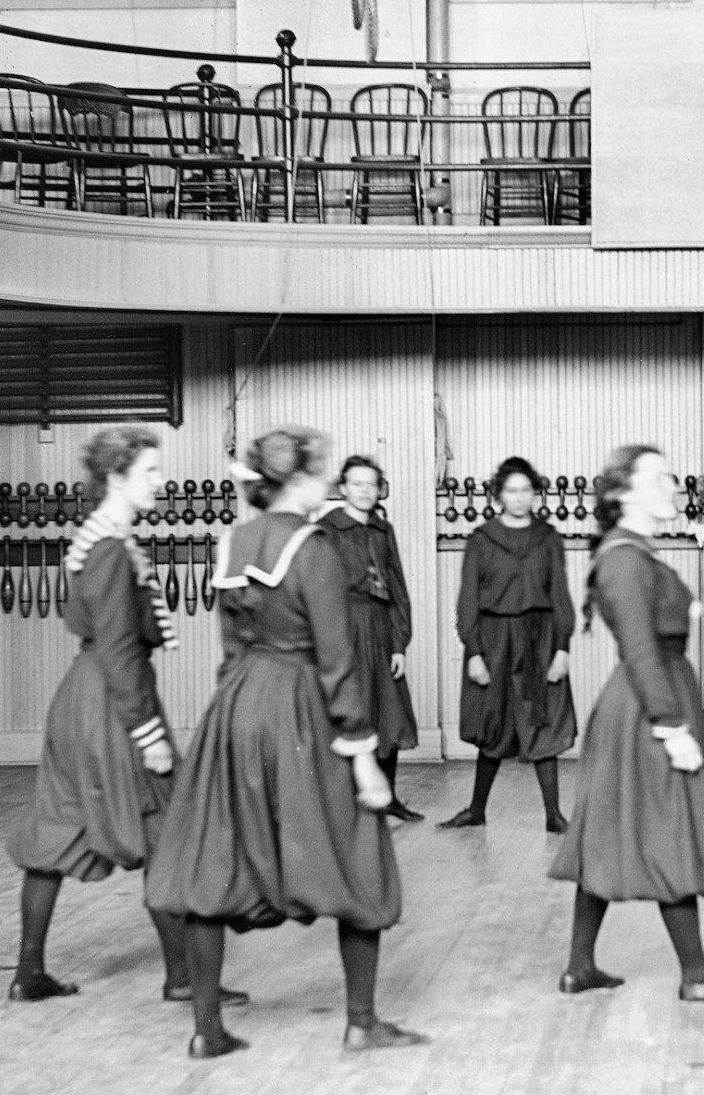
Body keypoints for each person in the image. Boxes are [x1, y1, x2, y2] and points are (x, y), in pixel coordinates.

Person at [145, 426, 422, 1060]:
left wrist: (233, 709)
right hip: (302, 708)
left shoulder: (234, 541)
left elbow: (232, 646)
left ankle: (207, 1029)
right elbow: (337, 659)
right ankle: (361, 1020)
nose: (327, 477)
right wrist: (361, 751)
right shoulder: (314, 546)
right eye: (319, 468)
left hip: (238, 705)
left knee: (215, 859)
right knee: (359, 849)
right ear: (299, 479)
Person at [4, 425, 244, 1007]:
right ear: (116, 478)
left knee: (56, 831)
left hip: (80, 701)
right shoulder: (111, 549)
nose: (160, 483)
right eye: (150, 474)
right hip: (113, 702)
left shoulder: (99, 538)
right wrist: (148, 732)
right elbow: (118, 650)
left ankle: (28, 973)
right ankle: (183, 977)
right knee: (166, 831)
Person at [548, 444, 704, 1003]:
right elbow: (640, 649)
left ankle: (579, 967)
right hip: (648, 707)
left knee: (608, 835)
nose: (673, 485)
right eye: (660, 477)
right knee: (670, 832)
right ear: (622, 494)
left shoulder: (632, 554)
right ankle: (697, 977)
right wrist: (671, 727)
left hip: (652, 698)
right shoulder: (623, 559)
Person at [441, 456, 577, 833]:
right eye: (511, 490)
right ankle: (476, 810)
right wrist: (474, 652)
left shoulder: (548, 538)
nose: (519, 498)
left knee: (541, 722)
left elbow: (560, 595)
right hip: (494, 640)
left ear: (536, 493)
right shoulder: (481, 540)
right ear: (499, 494)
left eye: (526, 490)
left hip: (539, 639)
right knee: (494, 723)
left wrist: (562, 647)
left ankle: (554, 815)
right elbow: (467, 600)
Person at [318, 455, 422, 822]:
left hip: (380, 627)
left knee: (387, 711)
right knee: (352, 708)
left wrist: (399, 643)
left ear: (379, 490)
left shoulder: (383, 529)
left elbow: (397, 588)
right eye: (356, 483)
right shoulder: (327, 529)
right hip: (345, 627)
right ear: (343, 488)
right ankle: (347, 803)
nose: (364, 491)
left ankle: (389, 797)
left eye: (371, 484)